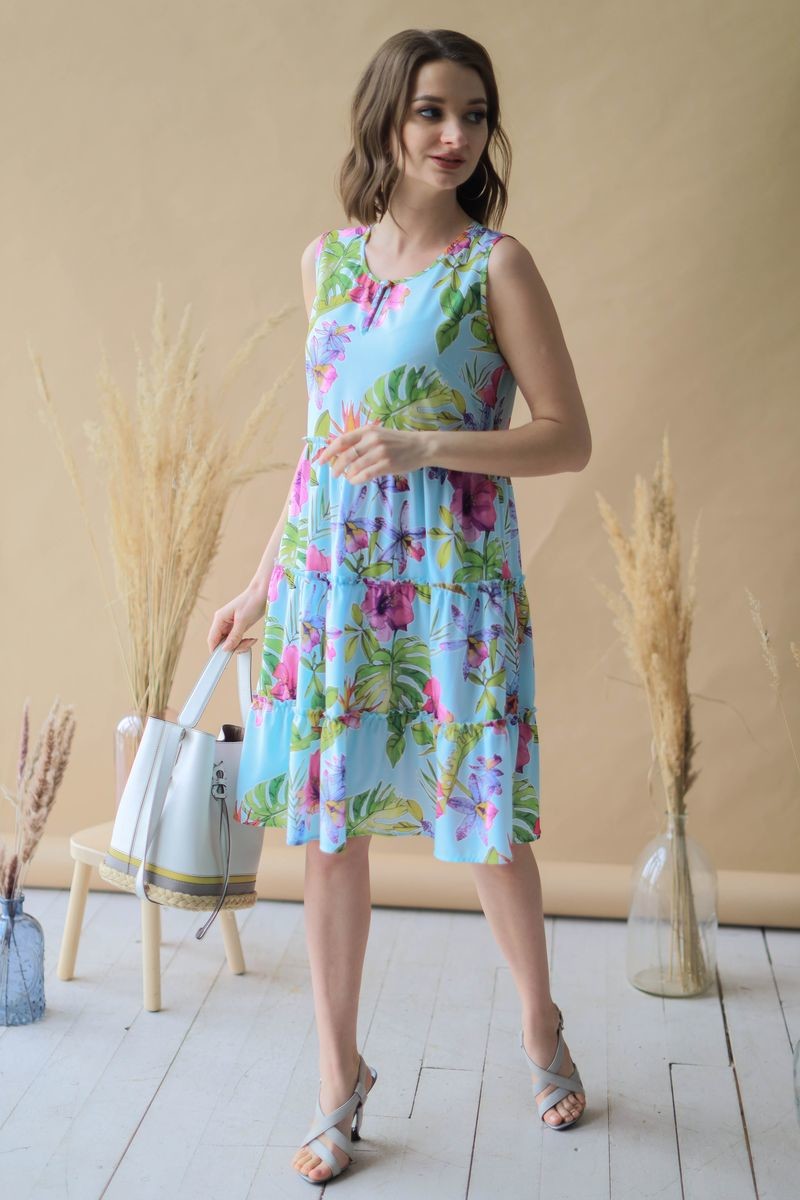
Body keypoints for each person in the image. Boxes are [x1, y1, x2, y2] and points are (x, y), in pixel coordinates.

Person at [208, 27, 592, 1186]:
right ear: (385, 117)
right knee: (329, 835)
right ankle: (339, 1080)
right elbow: (318, 446)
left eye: (472, 114)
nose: (453, 135)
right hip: (332, 586)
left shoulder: (494, 266)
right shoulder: (326, 264)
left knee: (484, 823)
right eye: (430, 111)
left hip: (450, 584)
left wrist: (427, 443)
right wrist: (262, 580)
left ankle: (539, 1024)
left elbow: (566, 437)